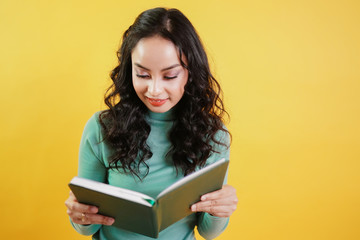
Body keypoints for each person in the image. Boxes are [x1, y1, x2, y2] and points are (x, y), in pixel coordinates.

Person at [65, 7, 238, 240]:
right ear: (130, 71)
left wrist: (220, 210)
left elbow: (208, 232)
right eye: (143, 75)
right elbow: (87, 228)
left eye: (170, 76)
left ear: (190, 73)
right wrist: (80, 216)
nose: (154, 89)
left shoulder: (213, 135)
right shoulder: (101, 128)